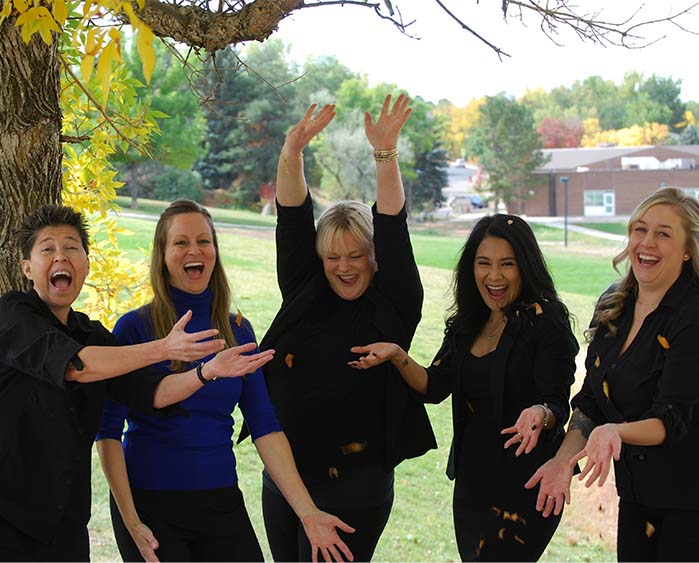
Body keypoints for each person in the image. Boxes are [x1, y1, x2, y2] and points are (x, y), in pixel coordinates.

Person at [0, 204, 275, 562]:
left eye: (71, 247)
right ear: (27, 268)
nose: (60, 257)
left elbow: (154, 393)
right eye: (47, 249)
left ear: (84, 263)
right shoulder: (12, 314)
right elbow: (76, 366)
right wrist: (162, 348)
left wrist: (206, 372)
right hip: (8, 520)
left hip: (64, 523)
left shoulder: (91, 334)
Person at [96, 200, 354, 563]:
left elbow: (265, 427)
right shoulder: (134, 328)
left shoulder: (237, 330)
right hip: (149, 502)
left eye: (204, 241)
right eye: (181, 242)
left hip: (219, 498)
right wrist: (130, 519)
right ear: (163, 254)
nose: (194, 250)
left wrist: (308, 512)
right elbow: (107, 433)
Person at [254, 94, 437, 562]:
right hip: (288, 481)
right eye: (333, 257)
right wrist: (291, 153)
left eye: (357, 255)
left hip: (355, 487)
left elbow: (393, 226)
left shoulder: (395, 302)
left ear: (374, 259)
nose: (344, 267)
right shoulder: (304, 288)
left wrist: (385, 154)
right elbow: (293, 219)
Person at [350, 213, 579, 561]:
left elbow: (557, 403)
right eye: (483, 263)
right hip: (473, 481)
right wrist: (397, 355)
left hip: (527, 484)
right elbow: (433, 387)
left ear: (525, 266)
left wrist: (541, 413)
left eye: (507, 264)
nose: (494, 275)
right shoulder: (468, 323)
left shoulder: (545, 321)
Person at [526, 186, 699, 561]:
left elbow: (672, 419)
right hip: (636, 496)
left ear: (688, 250)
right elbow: (591, 402)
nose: (646, 242)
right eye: (640, 229)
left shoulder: (693, 314)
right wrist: (562, 460)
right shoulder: (612, 305)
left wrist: (615, 432)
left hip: (690, 501)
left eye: (663, 233)